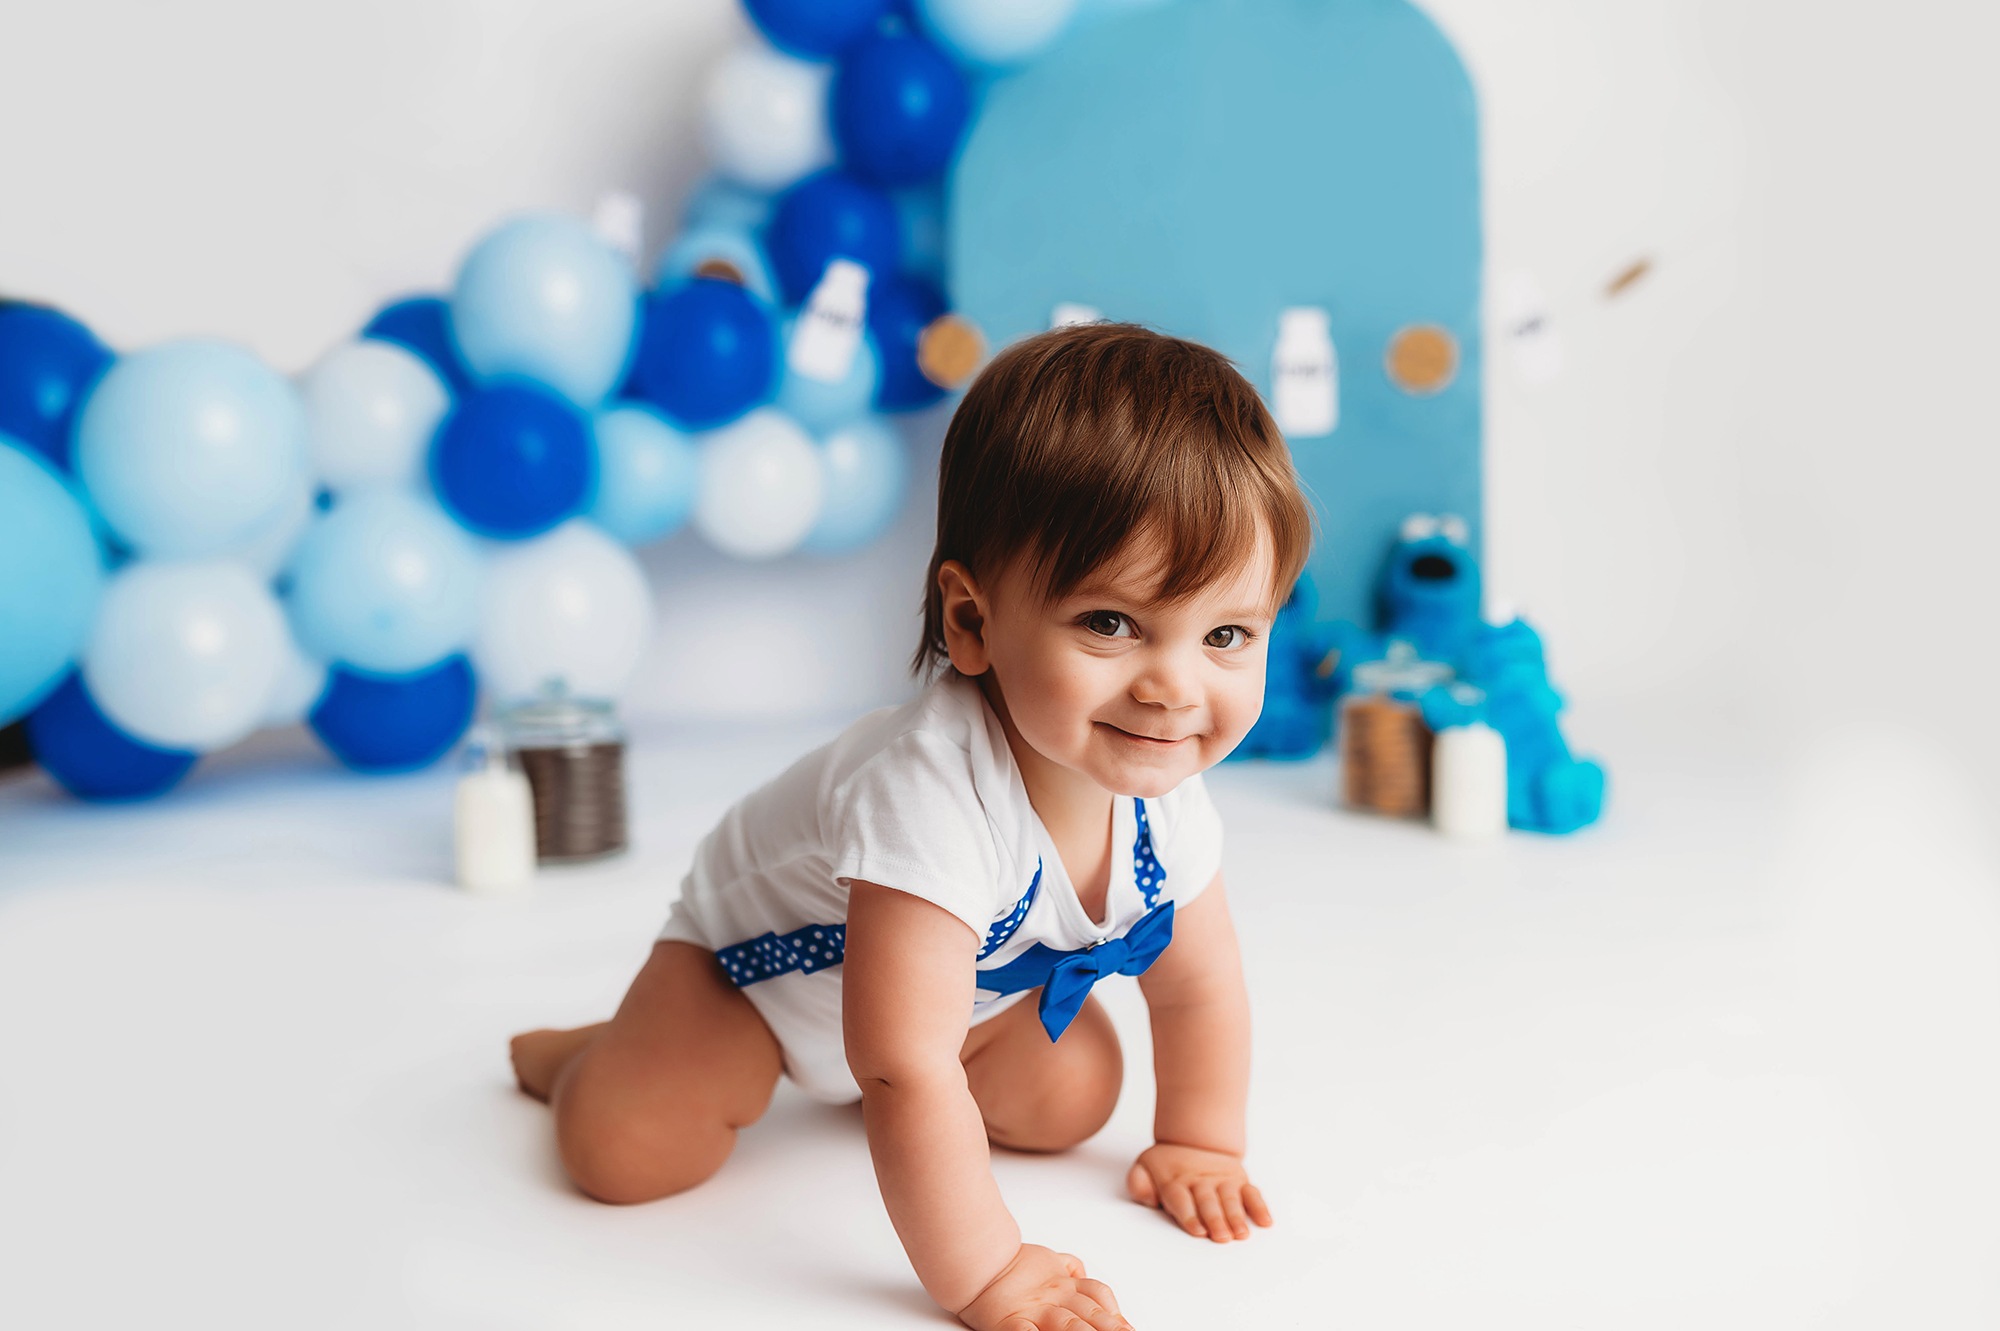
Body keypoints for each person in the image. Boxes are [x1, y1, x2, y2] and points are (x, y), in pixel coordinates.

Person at [511, 321, 1312, 1330]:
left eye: (1225, 634)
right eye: (1110, 623)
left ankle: (717, 1058)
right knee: (627, 1153)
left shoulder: (1159, 795)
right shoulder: (927, 795)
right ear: (972, 622)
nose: (1171, 687)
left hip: (941, 994)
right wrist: (984, 1271)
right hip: (756, 979)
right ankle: (586, 1053)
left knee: (1074, 1094)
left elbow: (1197, 986)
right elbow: (899, 1063)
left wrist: (1201, 1138)